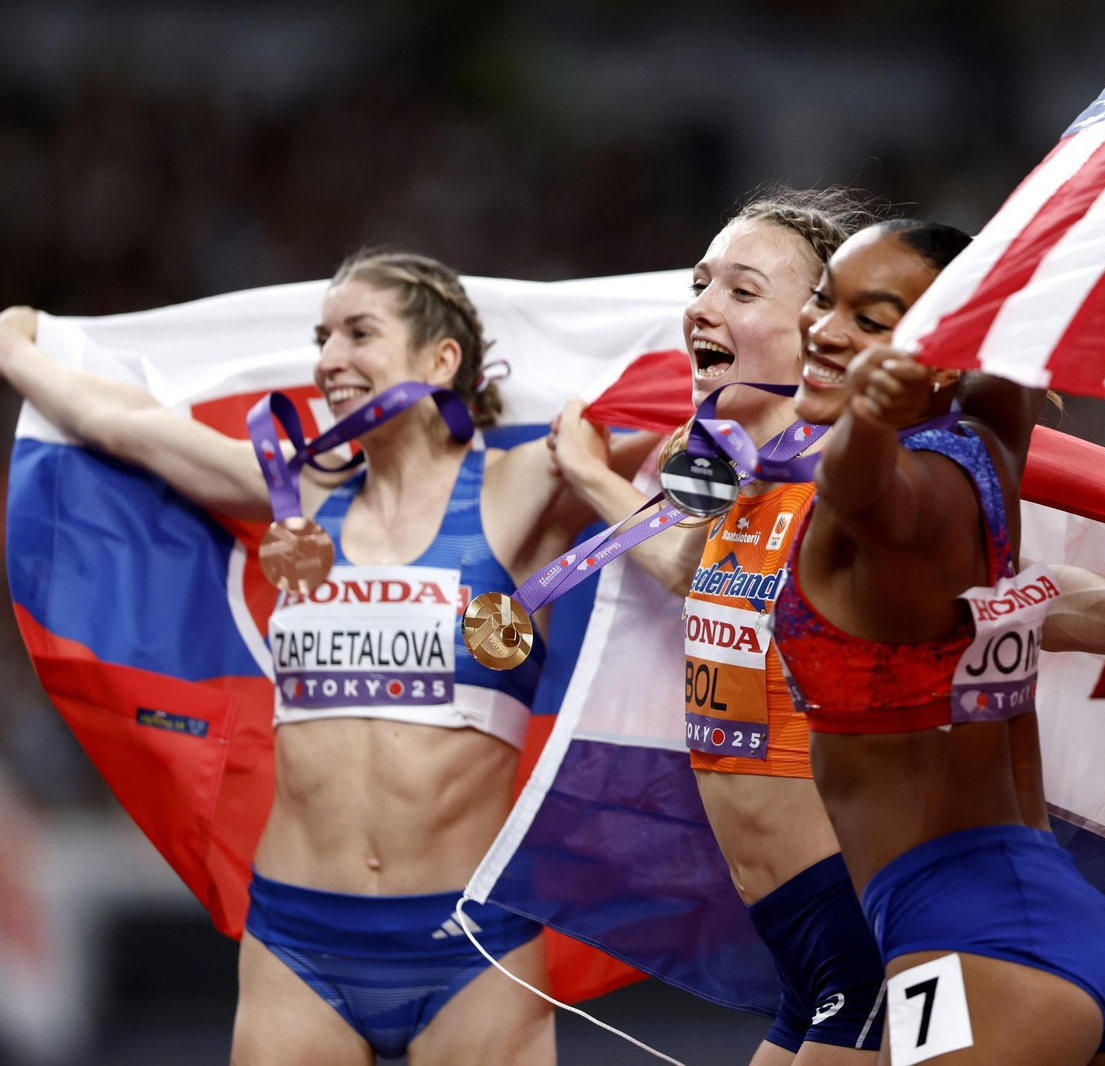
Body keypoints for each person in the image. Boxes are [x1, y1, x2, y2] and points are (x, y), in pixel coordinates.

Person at [0, 251, 650, 1065]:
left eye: (358, 333)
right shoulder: (297, 494)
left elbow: (697, 436)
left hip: (474, 943)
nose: (328, 360)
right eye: (322, 337)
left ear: (440, 361)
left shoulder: (526, 488)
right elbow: (128, 425)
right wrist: (20, 349)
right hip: (299, 941)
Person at [771, 231, 1105, 1064]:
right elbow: (1019, 334)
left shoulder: (897, 500)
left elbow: (860, 488)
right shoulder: (991, 441)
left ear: (944, 360)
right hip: (1057, 926)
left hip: (974, 945)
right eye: (827, 299)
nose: (827, 330)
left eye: (872, 321)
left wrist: (871, 419)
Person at [547, 187, 892, 1065]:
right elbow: (687, 572)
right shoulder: (745, 485)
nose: (699, 305)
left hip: (869, 929)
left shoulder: (857, 487)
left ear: (825, 331)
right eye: (701, 285)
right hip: (801, 949)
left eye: (742, 292)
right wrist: (591, 473)